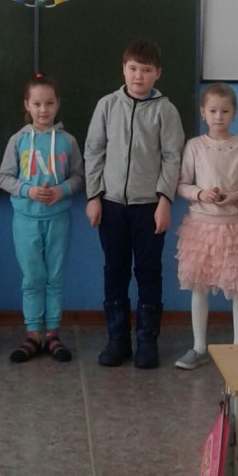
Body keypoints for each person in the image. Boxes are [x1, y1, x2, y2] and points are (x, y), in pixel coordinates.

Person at [85, 39, 184, 369]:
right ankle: (117, 340)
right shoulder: (107, 105)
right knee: (114, 272)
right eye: (133, 69)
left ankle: (147, 341)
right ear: (123, 70)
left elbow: (172, 158)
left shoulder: (166, 111)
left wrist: (164, 201)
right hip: (111, 206)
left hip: (149, 208)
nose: (138, 76)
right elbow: (94, 152)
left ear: (158, 73)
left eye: (146, 70)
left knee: (148, 273)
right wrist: (94, 196)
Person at [173, 83, 238, 369]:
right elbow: (182, 184)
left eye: (225, 111)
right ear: (203, 112)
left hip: (234, 228)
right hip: (200, 228)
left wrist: (236, 196)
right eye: (212, 111)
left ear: (234, 112)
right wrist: (201, 194)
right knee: (199, 287)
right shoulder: (194, 146)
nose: (218, 117)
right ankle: (199, 347)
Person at [0, 73, 84, 363]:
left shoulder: (68, 141)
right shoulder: (19, 140)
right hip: (26, 219)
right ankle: (33, 334)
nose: (43, 110)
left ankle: (52, 334)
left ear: (58, 104)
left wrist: (61, 190)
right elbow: (4, 177)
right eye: (37, 104)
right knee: (33, 276)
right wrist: (28, 190)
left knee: (54, 276)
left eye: (49, 103)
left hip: (58, 218)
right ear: (27, 105)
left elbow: (79, 176)